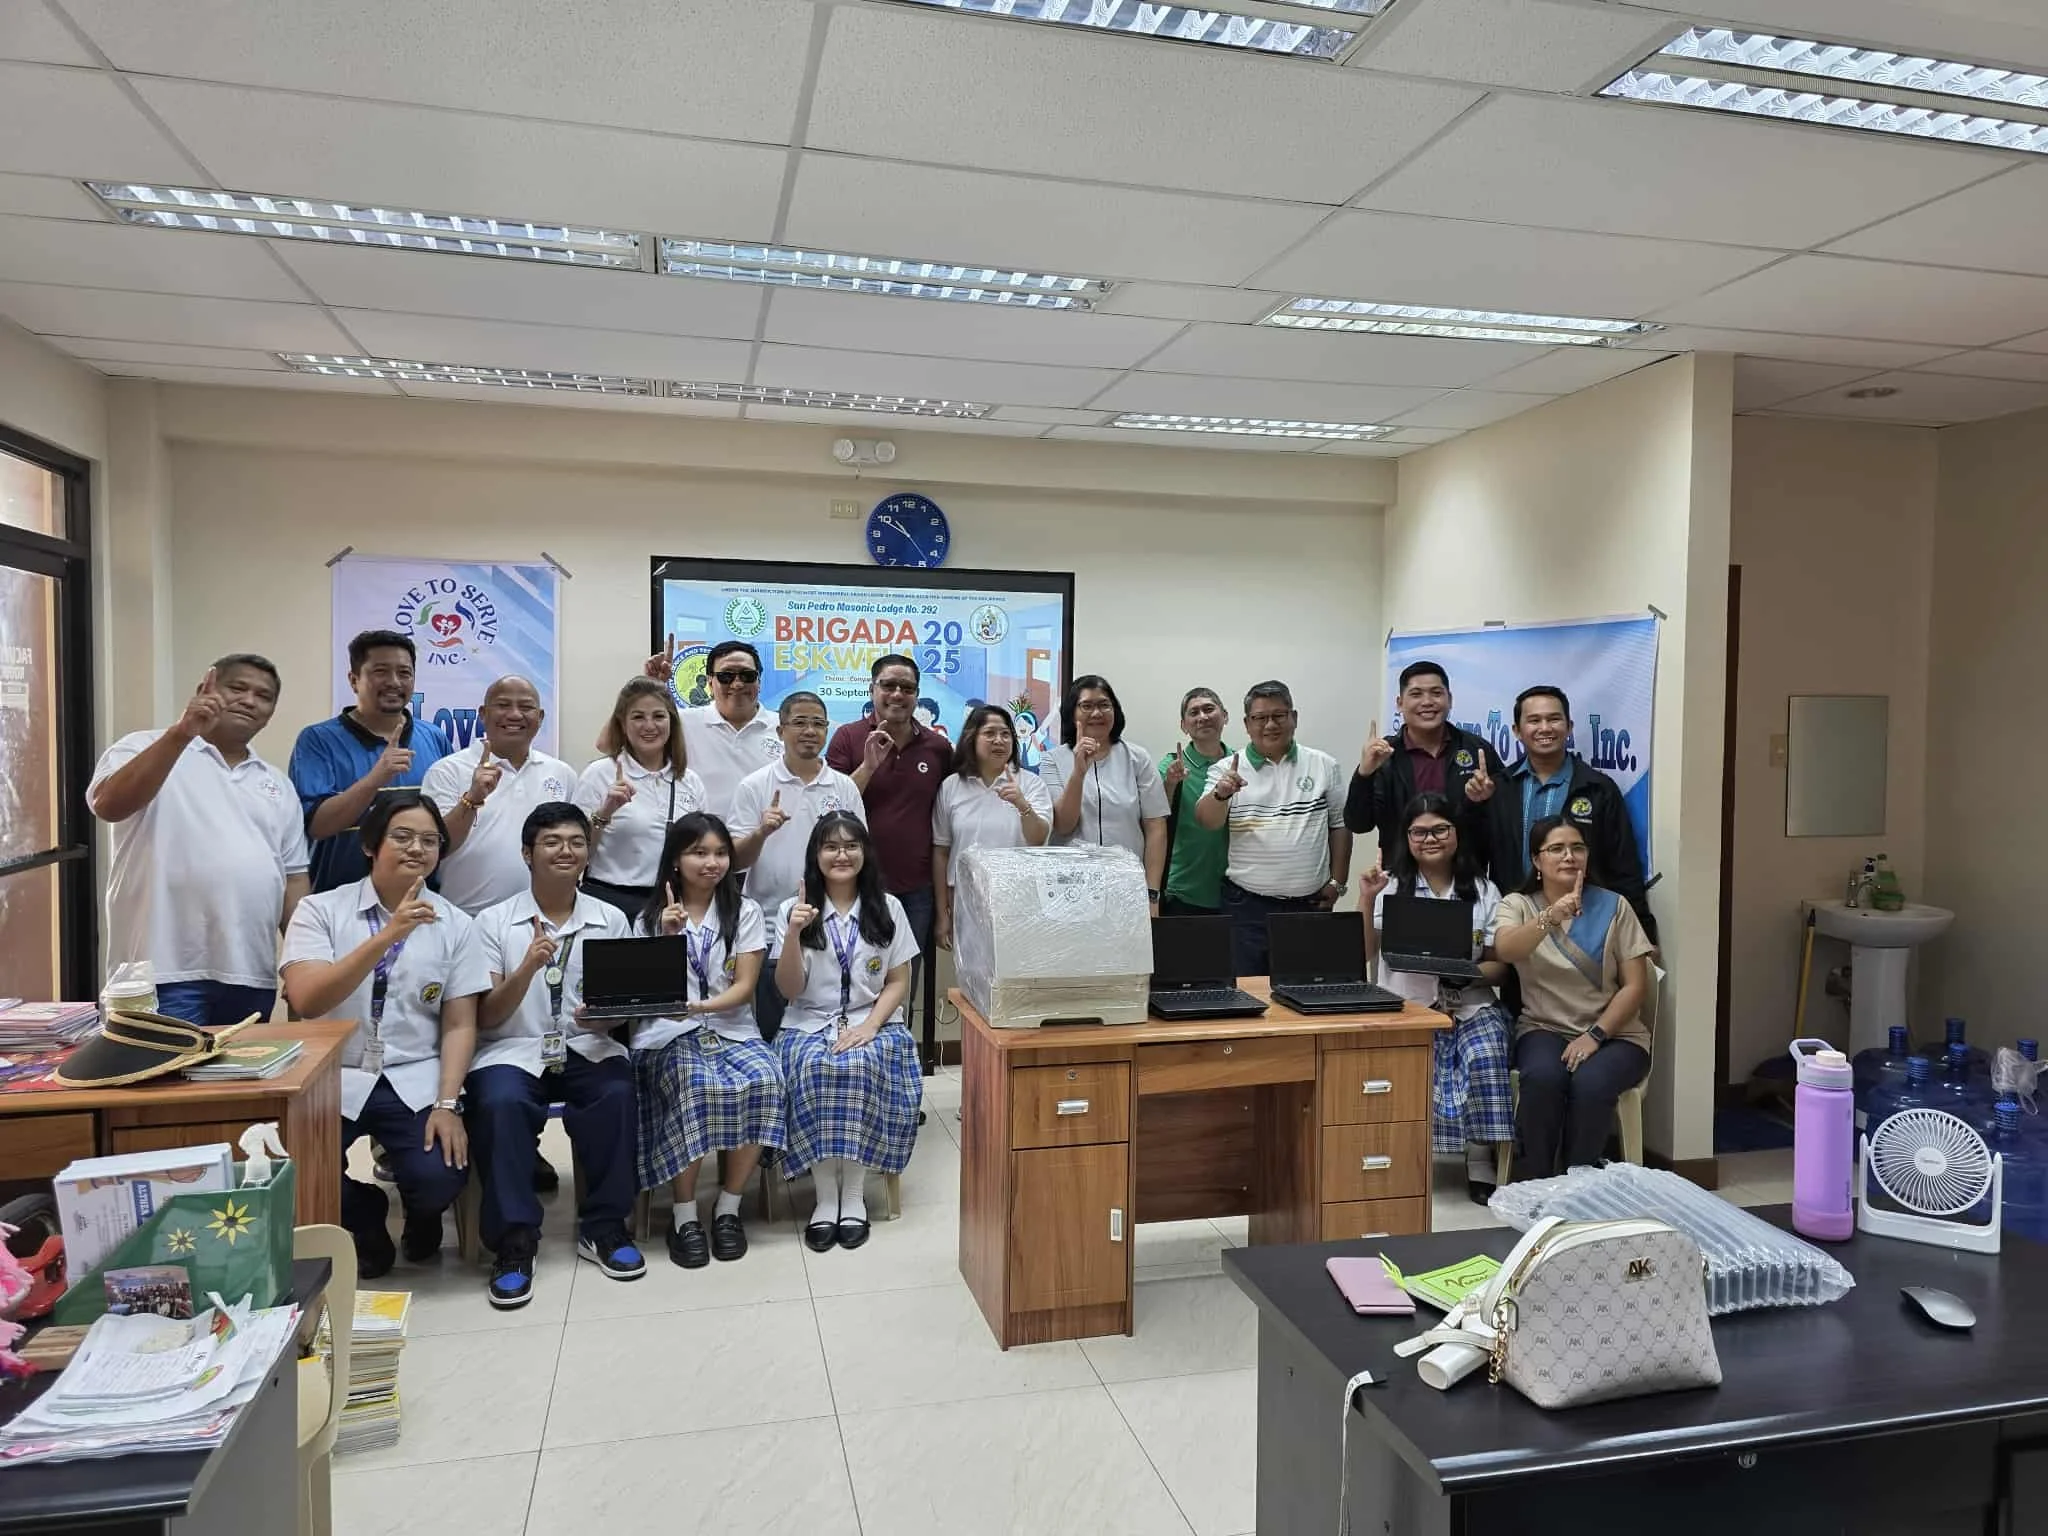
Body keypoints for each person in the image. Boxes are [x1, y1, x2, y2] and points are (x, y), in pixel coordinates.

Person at [280, 793, 486, 1278]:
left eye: (430, 841)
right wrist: (386, 936)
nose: (417, 848)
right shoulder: (320, 911)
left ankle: (422, 1212)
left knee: (442, 1175)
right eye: (403, 836)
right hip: (331, 1071)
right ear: (371, 845)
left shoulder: (456, 924)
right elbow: (308, 1000)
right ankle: (365, 1215)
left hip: (413, 1073)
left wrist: (447, 1104)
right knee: (292, 1171)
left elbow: (460, 1023)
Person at [468, 803, 644, 1309]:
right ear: (527, 854)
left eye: (575, 841)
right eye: (552, 842)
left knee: (614, 1093)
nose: (566, 851)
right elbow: (487, 1015)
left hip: (586, 1043)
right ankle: (514, 1241)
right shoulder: (494, 922)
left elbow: (622, 1012)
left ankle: (605, 1226)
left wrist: (604, 1020)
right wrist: (525, 969)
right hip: (513, 1046)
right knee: (500, 1103)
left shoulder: (610, 918)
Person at [89, 656, 309, 1027]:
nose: (250, 701)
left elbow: (294, 881)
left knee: (239, 1085)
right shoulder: (143, 746)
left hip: (250, 975)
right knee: (160, 1083)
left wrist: (302, 964)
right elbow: (108, 805)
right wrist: (182, 733)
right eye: (237, 688)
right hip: (160, 974)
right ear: (204, 690)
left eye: (264, 696)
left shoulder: (276, 784)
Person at [631, 814, 784, 1268]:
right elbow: (649, 994)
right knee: (695, 1086)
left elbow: (744, 987)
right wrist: (667, 938)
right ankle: (684, 1216)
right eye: (698, 852)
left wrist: (699, 1008)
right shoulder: (649, 916)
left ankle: (728, 1209)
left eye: (720, 853)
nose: (712, 862)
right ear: (676, 860)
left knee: (766, 1079)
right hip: (668, 1033)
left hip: (731, 1027)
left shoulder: (747, 911)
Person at [769, 813, 921, 1252]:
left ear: (864, 854)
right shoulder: (790, 909)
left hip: (871, 1020)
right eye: (831, 846)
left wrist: (871, 1026)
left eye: (851, 845)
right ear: (816, 855)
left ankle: (853, 1196)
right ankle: (825, 1197)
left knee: (859, 1065)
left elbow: (896, 981)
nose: (841, 854)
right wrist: (794, 933)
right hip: (807, 1020)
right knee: (814, 1067)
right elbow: (787, 989)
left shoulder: (888, 907)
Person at [1359, 794, 1513, 1203]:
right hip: (1407, 1007)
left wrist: (1465, 974)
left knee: (1485, 1054)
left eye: (1440, 829)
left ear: (1456, 834)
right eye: (1419, 832)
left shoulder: (1483, 890)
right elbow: (1363, 954)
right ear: (1406, 838)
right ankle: (1398, 1158)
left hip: (1471, 1002)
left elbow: (1501, 965)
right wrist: (1367, 898)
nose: (1430, 839)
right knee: (1405, 1067)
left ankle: (1480, 1160)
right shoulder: (1390, 885)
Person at [1493, 816, 1655, 1180]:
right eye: (1556, 849)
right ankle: (1534, 1183)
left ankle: (1579, 1185)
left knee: (1591, 1083)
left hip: (1616, 1035)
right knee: (1542, 1078)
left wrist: (1595, 1036)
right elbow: (1504, 949)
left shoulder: (1615, 906)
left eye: (1577, 848)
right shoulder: (1517, 904)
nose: (1569, 856)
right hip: (1543, 1028)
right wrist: (1552, 916)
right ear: (1536, 860)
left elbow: (1635, 986)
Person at [825, 654, 952, 1045]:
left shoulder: (938, 748)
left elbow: (948, 817)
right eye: (888, 685)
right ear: (872, 690)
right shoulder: (847, 737)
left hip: (915, 890)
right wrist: (868, 765)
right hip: (853, 887)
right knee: (846, 983)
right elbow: (831, 809)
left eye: (907, 688)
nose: (897, 694)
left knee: (900, 989)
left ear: (917, 695)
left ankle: (892, 1081)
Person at [728, 692, 865, 1038]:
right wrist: (762, 831)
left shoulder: (844, 786)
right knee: (774, 1026)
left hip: (832, 924)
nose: (809, 731)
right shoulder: (755, 786)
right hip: (772, 924)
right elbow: (735, 861)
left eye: (818, 723)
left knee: (824, 1025)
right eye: (800, 722)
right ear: (780, 731)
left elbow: (860, 854)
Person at [1194, 680, 1351, 978]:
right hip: (1246, 909)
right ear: (1246, 724)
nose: (1270, 725)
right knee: (1248, 995)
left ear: (1294, 717)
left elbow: (1340, 825)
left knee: (1307, 992)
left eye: (1279, 716)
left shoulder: (1323, 765)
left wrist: (1338, 882)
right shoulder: (1226, 768)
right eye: (1260, 718)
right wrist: (1221, 793)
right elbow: (1207, 821)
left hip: (1310, 905)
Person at [1488, 685, 1657, 943]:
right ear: (1517, 731)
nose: (1545, 728)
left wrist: (1644, 935)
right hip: (1517, 925)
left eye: (1554, 719)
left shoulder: (1598, 788)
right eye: (1534, 720)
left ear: (1569, 726)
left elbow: (1624, 865)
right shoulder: (1498, 788)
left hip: (1583, 923)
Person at [289, 629, 452, 893]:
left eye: (404, 673)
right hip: (339, 906)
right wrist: (377, 778)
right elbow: (318, 826)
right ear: (354, 680)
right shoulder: (317, 740)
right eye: (380, 672)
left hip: (421, 902)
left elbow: (445, 829)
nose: (394, 682)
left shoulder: (434, 737)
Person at [421, 676, 575, 916]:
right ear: (483, 713)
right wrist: (471, 798)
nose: (514, 715)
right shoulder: (447, 770)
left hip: (539, 919)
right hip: (466, 917)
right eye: (503, 705)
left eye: (526, 707)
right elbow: (435, 846)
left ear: (541, 717)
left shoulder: (561, 773)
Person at [1344, 661, 1505, 868]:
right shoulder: (1383, 756)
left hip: (1465, 876)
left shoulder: (1477, 750)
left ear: (1450, 700)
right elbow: (1358, 824)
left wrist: (1483, 800)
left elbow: (1501, 822)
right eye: (1416, 694)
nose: (1427, 702)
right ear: (1399, 703)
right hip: (1401, 877)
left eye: (1436, 693)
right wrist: (1364, 774)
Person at [572, 677, 707, 918]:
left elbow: (703, 849)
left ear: (672, 722)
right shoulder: (599, 774)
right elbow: (574, 852)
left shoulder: (690, 780)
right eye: (638, 717)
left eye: (658, 716)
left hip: (672, 903)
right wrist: (605, 813)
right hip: (609, 902)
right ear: (622, 724)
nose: (649, 726)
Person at [1040, 675, 1169, 913]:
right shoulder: (1053, 760)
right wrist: (1078, 773)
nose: (1096, 713)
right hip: (1072, 888)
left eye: (1104, 705)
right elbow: (1063, 826)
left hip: (1127, 887)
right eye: (1086, 706)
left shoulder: (1137, 758)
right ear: (1072, 713)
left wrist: (1152, 895)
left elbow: (1156, 826)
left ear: (1115, 711)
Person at [932, 704, 1052, 951]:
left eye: (1006, 734)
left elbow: (1038, 838)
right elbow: (941, 852)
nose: (999, 740)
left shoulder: (1031, 784)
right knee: (972, 980)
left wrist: (1021, 804)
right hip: (964, 900)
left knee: (1014, 977)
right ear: (971, 738)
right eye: (990, 733)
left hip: (1019, 901)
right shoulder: (952, 786)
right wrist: (943, 914)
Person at [645, 637, 778, 816]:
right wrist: (651, 687)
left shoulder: (783, 727)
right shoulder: (681, 723)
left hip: (767, 838)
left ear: (759, 681)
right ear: (710, 682)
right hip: (699, 840)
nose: (737, 684)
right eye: (726, 676)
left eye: (747, 676)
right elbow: (607, 744)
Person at [1157, 686, 1234, 917]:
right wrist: (1171, 783)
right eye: (1194, 712)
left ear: (1225, 716)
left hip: (1235, 889)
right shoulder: (1171, 765)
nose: (1202, 717)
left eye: (1209, 709)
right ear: (1184, 725)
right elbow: (1156, 819)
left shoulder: (1240, 764)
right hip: (1183, 889)